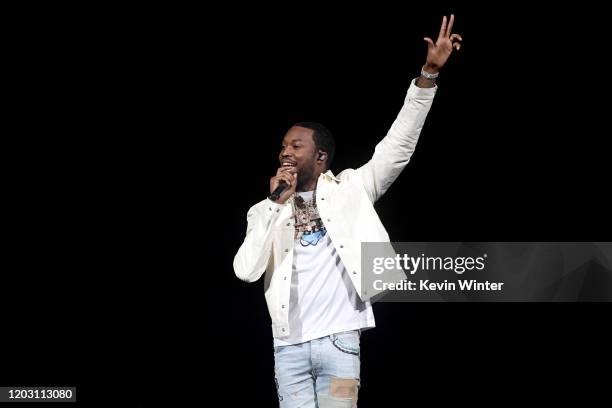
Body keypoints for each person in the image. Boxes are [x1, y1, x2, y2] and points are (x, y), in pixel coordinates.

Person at [233, 15, 462, 408]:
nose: (285, 152)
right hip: (287, 351)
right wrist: (274, 205)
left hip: (341, 345)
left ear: (320, 157)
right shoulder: (265, 210)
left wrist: (428, 76)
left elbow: (398, 146)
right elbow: (245, 270)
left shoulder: (352, 189)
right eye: (283, 146)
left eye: (296, 146)